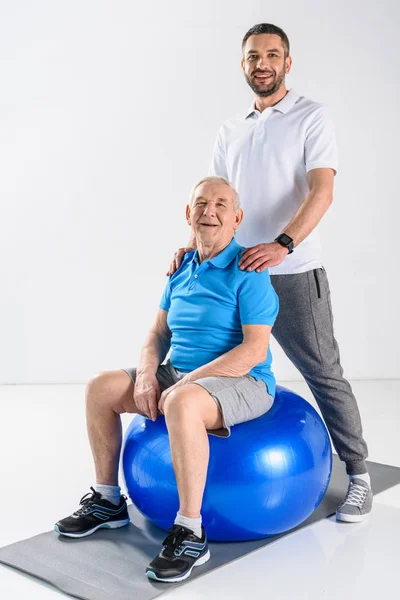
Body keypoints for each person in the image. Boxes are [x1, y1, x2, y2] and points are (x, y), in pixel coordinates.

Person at [168, 23, 372, 523]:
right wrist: (193, 246)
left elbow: (321, 191)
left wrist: (283, 245)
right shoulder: (229, 130)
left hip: (293, 269)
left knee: (323, 372)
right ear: (244, 65)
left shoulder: (311, 116)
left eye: (273, 55)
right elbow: (216, 199)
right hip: (232, 273)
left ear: (287, 63)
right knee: (215, 371)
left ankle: (360, 475)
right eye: (254, 56)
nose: (263, 63)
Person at [54, 176, 279, 583]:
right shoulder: (180, 268)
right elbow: (158, 334)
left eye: (221, 205)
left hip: (244, 380)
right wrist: (144, 377)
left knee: (181, 402)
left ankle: (191, 533)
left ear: (237, 218)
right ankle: (107, 501)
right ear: (188, 213)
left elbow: (253, 351)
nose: (209, 211)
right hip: (183, 374)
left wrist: (185, 383)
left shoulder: (249, 271)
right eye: (201, 203)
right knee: (99, 387)